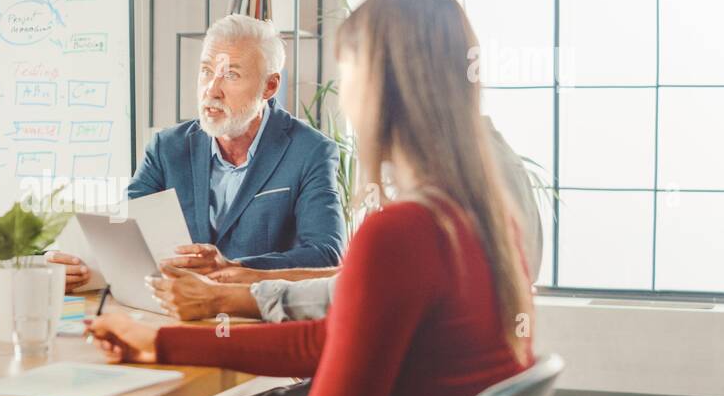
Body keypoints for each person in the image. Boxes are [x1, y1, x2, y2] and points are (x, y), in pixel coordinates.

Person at [59, 0, 536, 396]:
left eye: (351, 74)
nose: (345, 99)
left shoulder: (400, 234)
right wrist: (163, 341)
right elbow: (333, 342)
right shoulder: (483, 221)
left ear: (386, 89)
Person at [147, 114, 545, 321]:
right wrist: (249, 274)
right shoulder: (490, 165)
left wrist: (225, 298)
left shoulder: (425, 209)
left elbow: (344, 307)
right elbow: (359, 287)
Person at [48, 14, 346, 291]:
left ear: (269, 86)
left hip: (257, 319)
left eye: (230, 75)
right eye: (206, 71)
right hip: (175, 313)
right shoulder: (168, 147)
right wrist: (67, 262)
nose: (211, 90)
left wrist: (234, 269)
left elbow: (327, 255)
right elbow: (124, 229)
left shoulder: (310, 151)